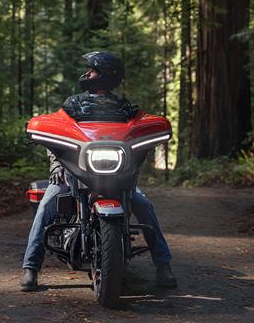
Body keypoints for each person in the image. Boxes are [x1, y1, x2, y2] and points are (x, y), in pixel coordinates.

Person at [20, 51, 177, 291]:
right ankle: (30, 267)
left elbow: (140, 127)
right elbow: (55, 137)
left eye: (91, 70)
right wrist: (56, 166)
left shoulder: (124, 108)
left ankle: (164, 265)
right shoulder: (72, 104)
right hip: (73, 172)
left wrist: (147, 140)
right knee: (47, 204)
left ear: (104, 75)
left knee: (143, 205)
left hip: (117, 176)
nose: (87, 74)